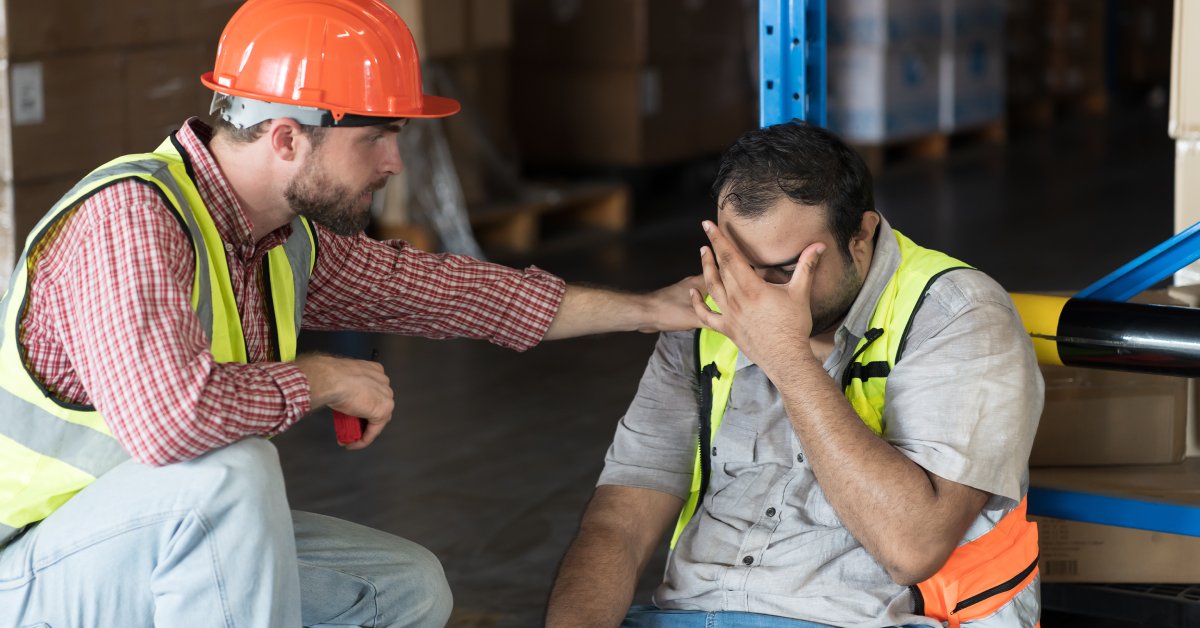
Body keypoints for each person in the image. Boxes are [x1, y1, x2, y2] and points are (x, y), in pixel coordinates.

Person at [0, 1, 700, 626]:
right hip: (32, 568)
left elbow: (452, 293)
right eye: (373, 137)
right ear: (284, 137)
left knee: (404, 587)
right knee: (229, 474)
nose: (395, 161)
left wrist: (649, 309)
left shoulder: (281, 237)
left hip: (143, 546)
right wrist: (325, 378)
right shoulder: (131, 218)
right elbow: (171, 424)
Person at [546, 121, 1045, 628]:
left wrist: (785, 357)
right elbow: (620, 521)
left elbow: (912, 548)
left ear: (861, 236)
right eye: (739, 266)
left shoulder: (957, 314)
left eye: (786, 272)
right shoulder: (712, 310)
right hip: (692, 614)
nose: (754, 298)